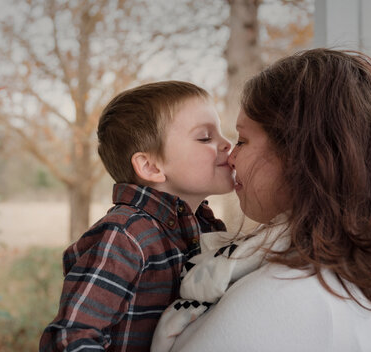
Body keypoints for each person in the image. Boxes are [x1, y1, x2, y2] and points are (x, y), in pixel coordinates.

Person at [152, 48, 371, 352]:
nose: (231, 157)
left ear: (296, 154)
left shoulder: (286, 296)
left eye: (243, 140)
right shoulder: (366, 275)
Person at [39, 81, 235, 352]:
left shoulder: (205, 227)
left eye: (222, 133)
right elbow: (70, 338)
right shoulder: (125, 235)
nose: (228, 144)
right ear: (150, 166)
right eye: (205, 137)